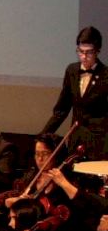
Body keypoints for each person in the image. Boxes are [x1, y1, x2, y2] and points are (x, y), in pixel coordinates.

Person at [41, 26, 108, 160]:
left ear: (97, 51)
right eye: (80, 51)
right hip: (75, 139)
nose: (84, 57)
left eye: (89, 52)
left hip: (98, 142)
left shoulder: (106, 74)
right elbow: (62, 109)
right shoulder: (71, 70)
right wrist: (43, 135)